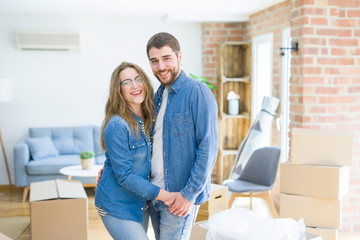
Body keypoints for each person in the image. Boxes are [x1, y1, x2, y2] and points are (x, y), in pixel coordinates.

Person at [146, 32, 218, 240]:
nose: (161, 67)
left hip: (179, 198)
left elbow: (208, 149)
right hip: (155, 195)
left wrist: (188, 195)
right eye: (154, 61)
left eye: (166, 58)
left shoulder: (198, 92)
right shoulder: (156, 97)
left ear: (179, 57)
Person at [95, 62, 178, 240]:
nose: (135, 86)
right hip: (116, 203)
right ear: (119, 89)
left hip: (140, 203)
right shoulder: (117, 125)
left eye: (138, 79)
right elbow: (124, 175)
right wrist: (165, 196)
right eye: (127, 82)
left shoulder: (150, 117)